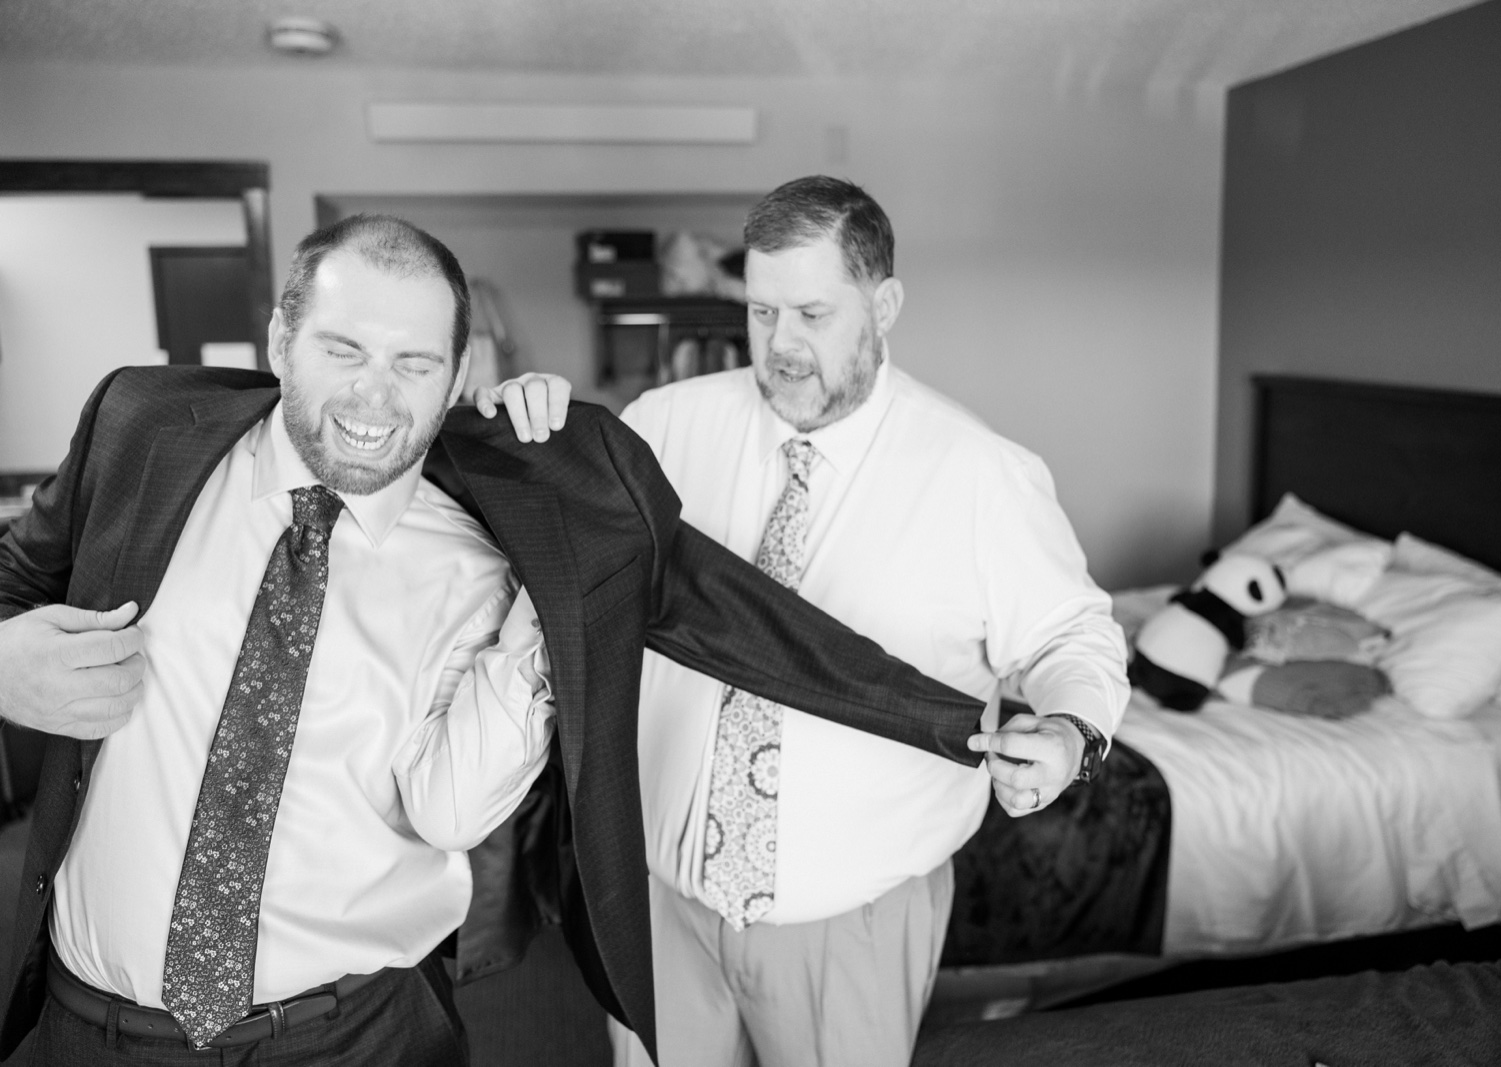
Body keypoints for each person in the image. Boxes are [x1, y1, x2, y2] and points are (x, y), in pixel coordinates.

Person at [0, 213, 989, 1066]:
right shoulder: (140, 429)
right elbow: (13, 577)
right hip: (89, 1027)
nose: (372, 398)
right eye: (343, 350)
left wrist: (962, 725)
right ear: (279, 336)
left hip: (357, 1033)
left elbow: (458, 799)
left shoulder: (488, 542)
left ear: (461, 372)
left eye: (414, 362)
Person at [486, 176, 1129, 1067]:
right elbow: (565, 567)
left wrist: (1065, 729)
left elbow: (1077, 638)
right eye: (759, 312)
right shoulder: (665, 426)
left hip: (851, 927)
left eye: (813, 314)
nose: (780, 346)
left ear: (885, 304)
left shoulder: (980, 474)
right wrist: (530, 435)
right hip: (661, 899)